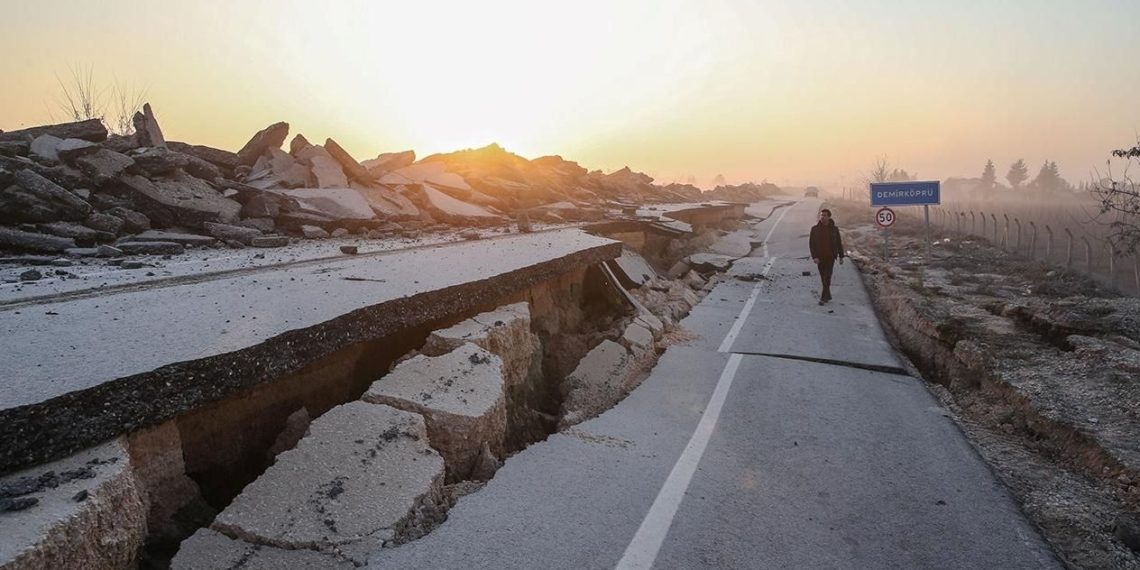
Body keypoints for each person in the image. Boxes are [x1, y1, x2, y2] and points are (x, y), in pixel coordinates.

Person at [809, 208, 845, 305]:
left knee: (827, 276)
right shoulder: (815, 229)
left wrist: (841, 256)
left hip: (830, 257)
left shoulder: (834, 229)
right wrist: (814, 257)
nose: (823, 217)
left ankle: (823, 297)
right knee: (823, 277)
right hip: (819, 258)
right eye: (821, 215)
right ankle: (827, 294)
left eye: (825, 215)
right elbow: (812, 244)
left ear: (829, 217)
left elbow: (838, 243)